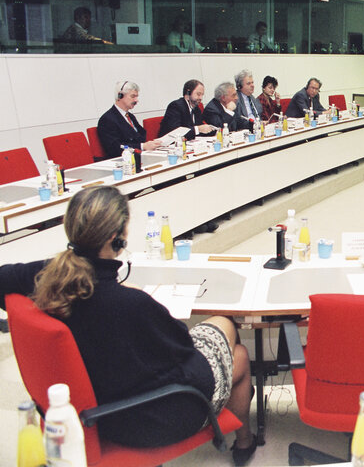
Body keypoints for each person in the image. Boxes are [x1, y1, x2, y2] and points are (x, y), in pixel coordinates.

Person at [0, 186, 257, 466]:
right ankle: (244, 443)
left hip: (96, 414)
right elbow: (183, 348)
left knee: (234, 354)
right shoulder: (131, 304)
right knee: (229, 334)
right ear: (116, 237)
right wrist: (148, 304)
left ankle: (244, 440)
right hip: (151, 420)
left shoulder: (50, 276)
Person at [97, 81, 162, 159]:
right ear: (120, 96)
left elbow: (139, 137)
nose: (136, 100)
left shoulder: (130, 116)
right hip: (123, 161)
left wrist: (151, 144)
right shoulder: (107, 119)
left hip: (138, 157)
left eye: (137, 96)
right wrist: (143, 146)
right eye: (133, 96)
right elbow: (115, 148)